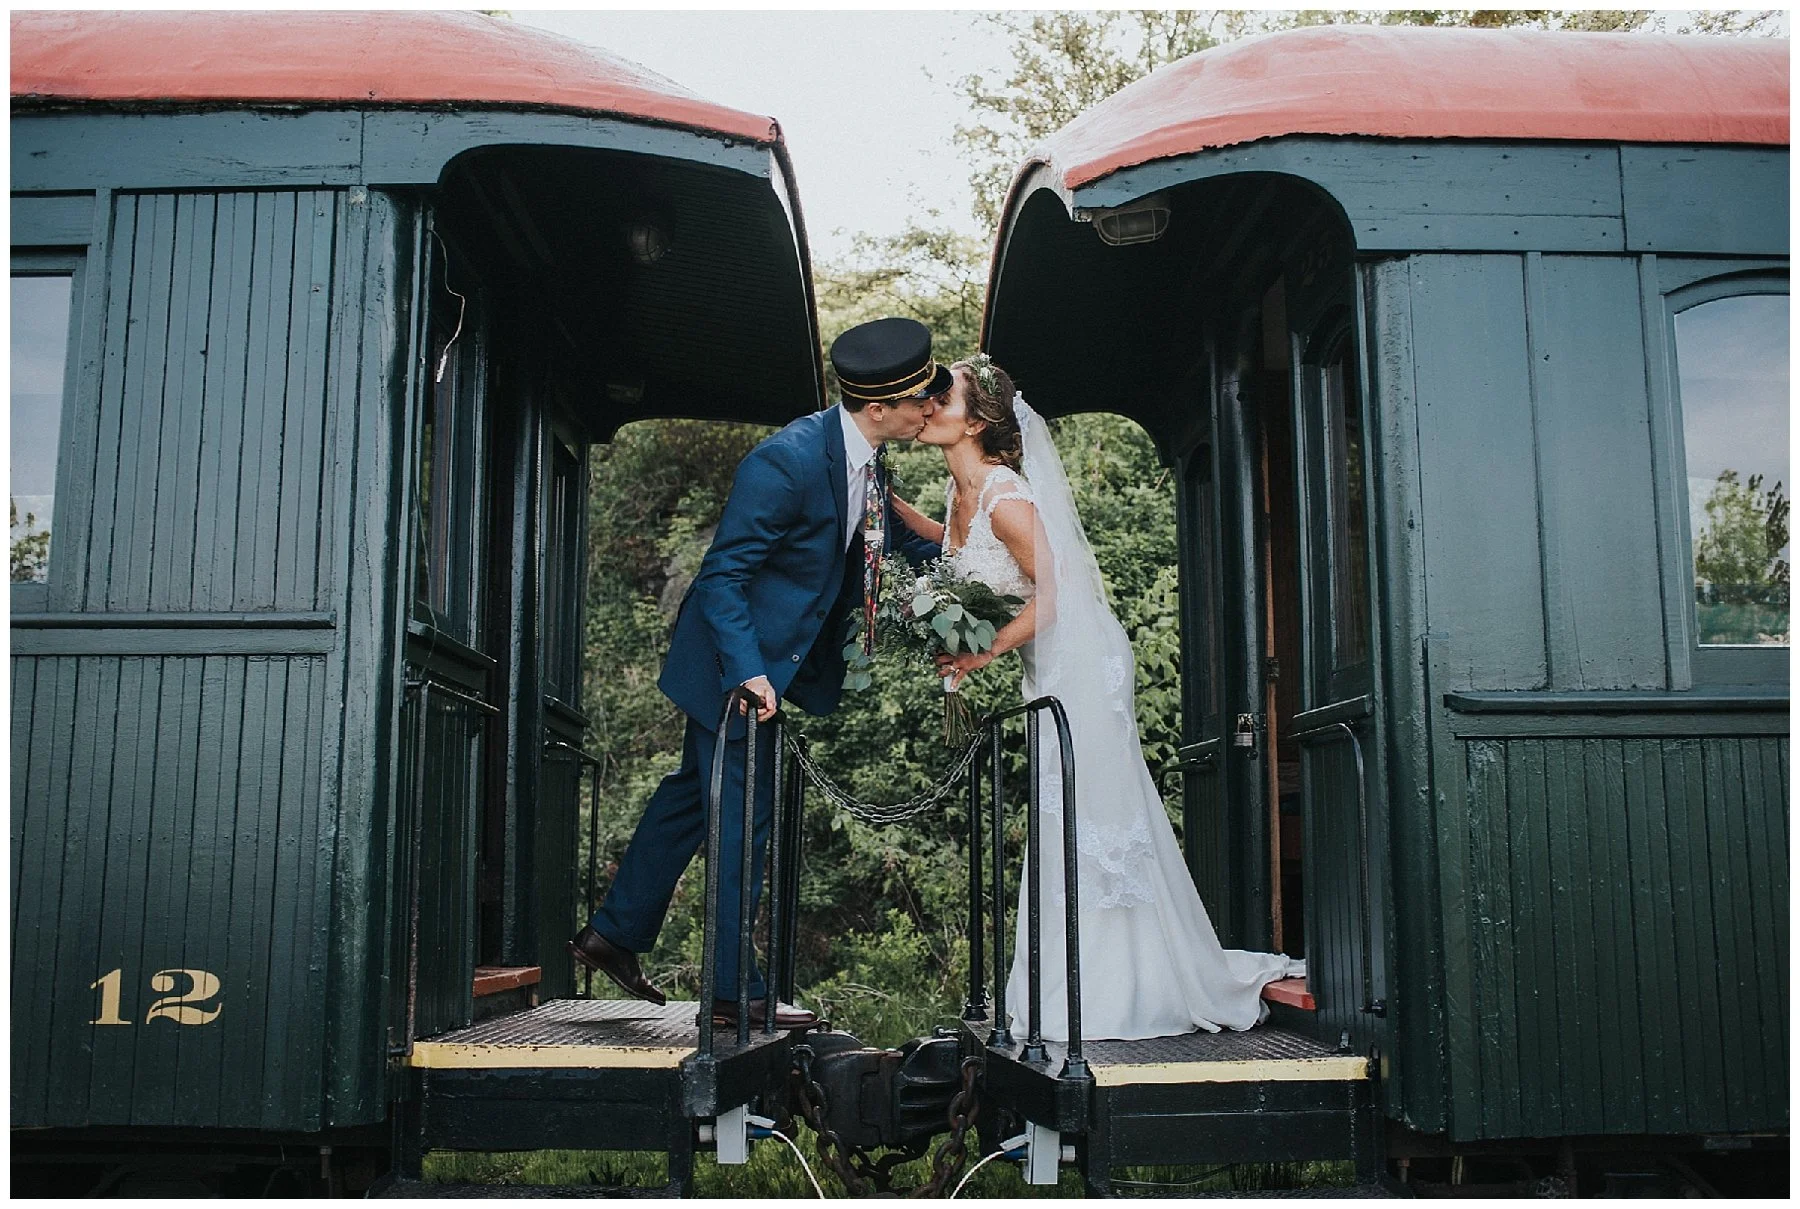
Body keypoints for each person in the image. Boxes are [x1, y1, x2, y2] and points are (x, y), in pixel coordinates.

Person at [894, 354, 1304, 1042]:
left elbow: (1057, 596)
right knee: (1064, 816)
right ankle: (1078, 978)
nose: (927, 404)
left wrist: (982, 650)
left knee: (1093, 817)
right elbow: (961, 553)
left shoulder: (1006, 494)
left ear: (979, 420)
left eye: (944, 395)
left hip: (1081, 664)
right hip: (1046, 667)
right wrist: (882, 501)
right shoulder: (958, 493)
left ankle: (1123, 987)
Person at [570, 317, 948, 1030]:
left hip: (764, 666)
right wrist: (749, 673)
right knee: (744, 820)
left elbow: (884, 535)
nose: (929, 407)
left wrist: (971, 552)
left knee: (690, 797)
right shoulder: (788, 460)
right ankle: (730, 993)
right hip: (735, 669)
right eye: (920, 399)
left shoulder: (864, 457)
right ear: (878, 407)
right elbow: (722, 576)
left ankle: (613, 933)